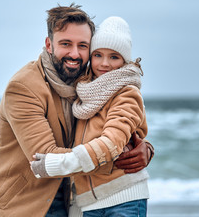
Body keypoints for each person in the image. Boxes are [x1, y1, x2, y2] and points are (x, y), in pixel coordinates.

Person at [0, 4, 153, 217]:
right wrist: (114, 156)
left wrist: (142, 148)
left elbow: (113, 120)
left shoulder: (88, 84)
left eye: (83, 46)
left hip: (68, 202)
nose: (75, 54)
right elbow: (44, 157)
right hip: (20, 205)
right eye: (66, 44)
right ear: (49, 44)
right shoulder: (23, 87)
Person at [30, 16, 150, 217]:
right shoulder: (84, 91)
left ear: (124, 61)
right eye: (98, 55)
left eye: (114, 57)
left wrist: (56, 164)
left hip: (124, 198)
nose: (104, 64)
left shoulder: (126, 93)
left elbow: (112, 142)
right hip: (89, 203)